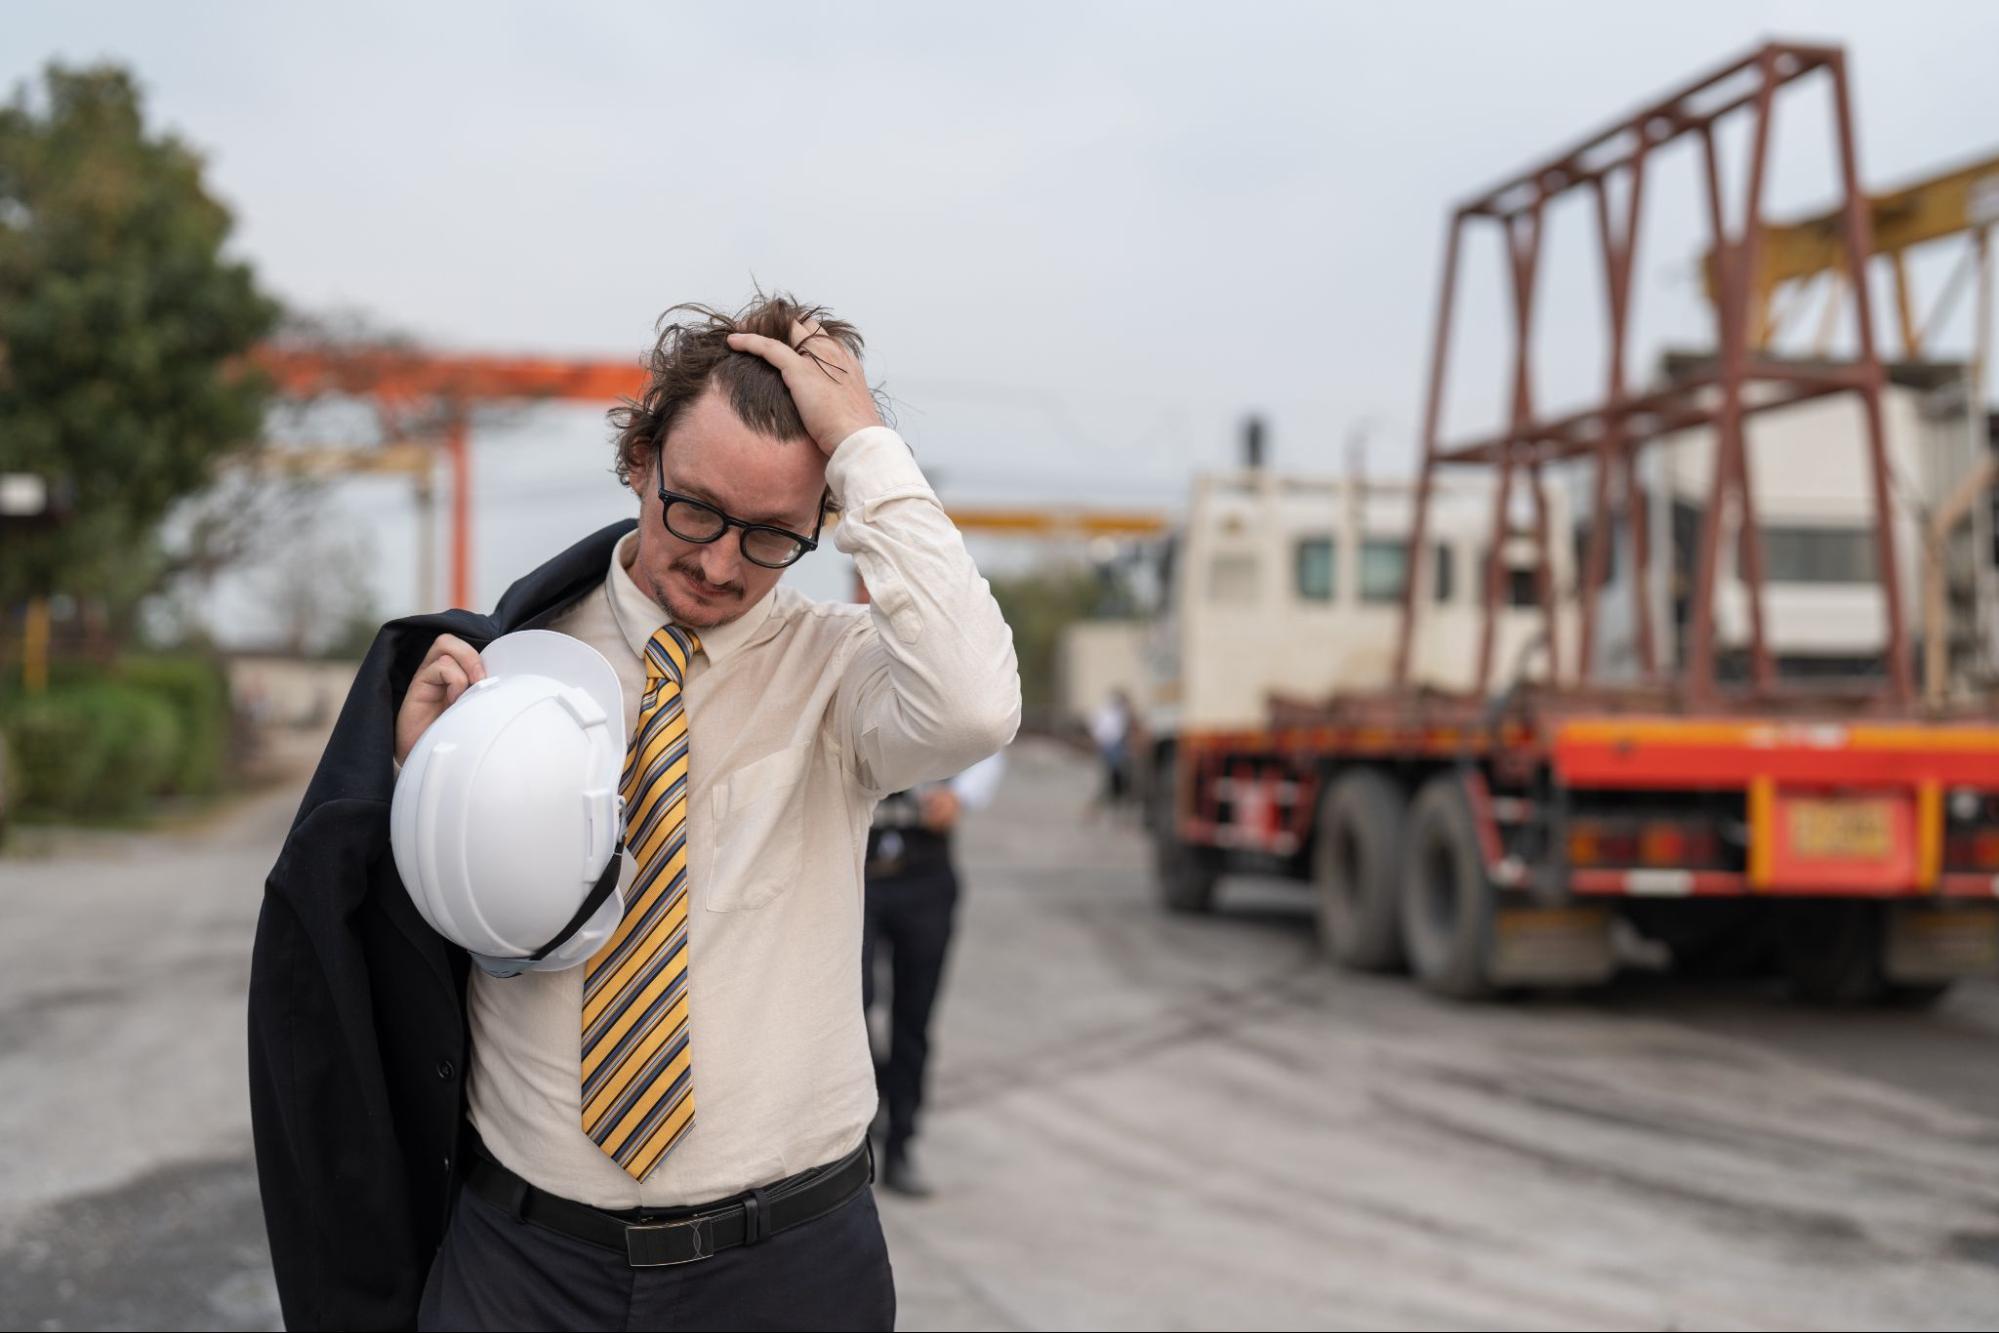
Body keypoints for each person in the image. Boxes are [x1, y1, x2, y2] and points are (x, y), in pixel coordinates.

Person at [247, 294, 1021, 1332]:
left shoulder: (841, 680)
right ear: (640, 456)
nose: (715, 564)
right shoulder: (499, 668)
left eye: (769, 539)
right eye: (693, 509)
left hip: (783, 1274)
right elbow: (390, 944)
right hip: (522, 1264)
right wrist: (417, 784)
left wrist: (864, 446)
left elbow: (977, 701)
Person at [861, 749, 1004, 1198]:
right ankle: (871, 1105)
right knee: (848, 1005)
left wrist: (962, 797)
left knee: (914, 1019)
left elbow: (987, 731)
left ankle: (901, 1144)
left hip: (924, 868)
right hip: (854, 867)